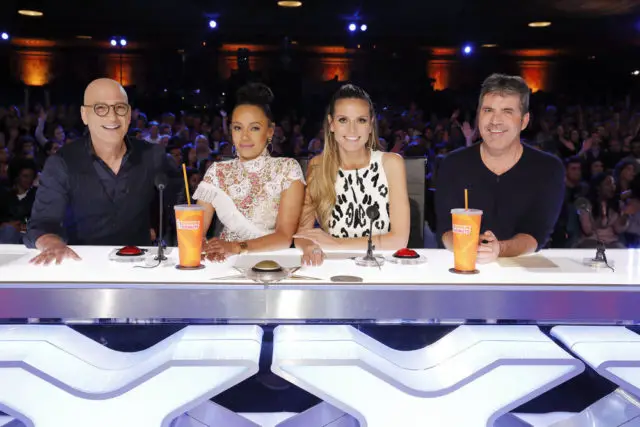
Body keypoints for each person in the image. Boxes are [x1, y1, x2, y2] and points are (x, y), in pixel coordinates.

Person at [24, 78, 180, 265]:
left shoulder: (152, 155)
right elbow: (42, 223)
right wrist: (52, 244)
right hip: (82, 264)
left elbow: (179, 201)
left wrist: (158, 226)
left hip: (140, 265)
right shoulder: (62, 163)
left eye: (119, 108)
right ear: (84, 115)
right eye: (100, 108)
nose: (112, 117)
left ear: (129, 115)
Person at [436, 73, 565, 263]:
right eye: (488, 110)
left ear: (524, 121)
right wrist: (471, 247)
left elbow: (536, 234)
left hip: (523, 272)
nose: (495, 121)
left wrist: (499, 249)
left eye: (507, 111)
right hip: (462, 269)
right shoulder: (453, 164)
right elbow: (445, 231)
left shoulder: (548, 169)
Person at [294, 84, 410, 266]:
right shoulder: (318, 165)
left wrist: (336, 243)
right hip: (335, 266)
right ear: (331, 124)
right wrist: (310, 247)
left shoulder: (391, 163)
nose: (352, 130)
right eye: (343, 120)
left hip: (383, 267)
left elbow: (398, 241)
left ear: (371, 125)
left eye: (361, 120)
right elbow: (302, 234)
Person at [193, 83, 305, 260]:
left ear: (270, 131)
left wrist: (235, 247)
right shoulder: (217, 171)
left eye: (254, 128)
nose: (244, 136)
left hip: (269, 264)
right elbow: (195, 233)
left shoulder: (287, 169)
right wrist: (206, 248)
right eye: (238, 127)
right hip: (223, 263)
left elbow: (283, 237)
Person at [0, 159, 38, 244]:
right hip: (6, 234)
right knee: (8, 231)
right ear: (17, 177)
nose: (29, 179)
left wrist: (24, 226)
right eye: (25, 176)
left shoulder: (38, 195)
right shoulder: (4, 196)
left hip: (29, 234)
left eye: (31, 176)